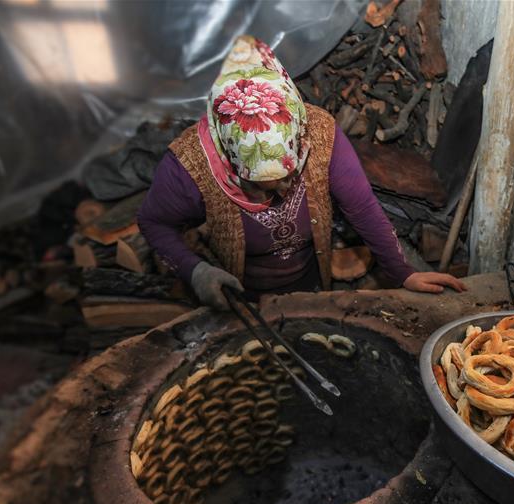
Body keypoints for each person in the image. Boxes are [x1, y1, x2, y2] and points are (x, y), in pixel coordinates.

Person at [138, 35, 465, 310]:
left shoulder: (320, 133)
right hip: (240, 301)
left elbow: (362, 207)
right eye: (258, 185)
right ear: (228, 157)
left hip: (311, 286)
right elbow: (154, 223)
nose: (277, 192)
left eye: (286, 177)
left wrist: (402, 273)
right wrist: (195, 271)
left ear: (299, 140)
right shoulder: (191, 164)